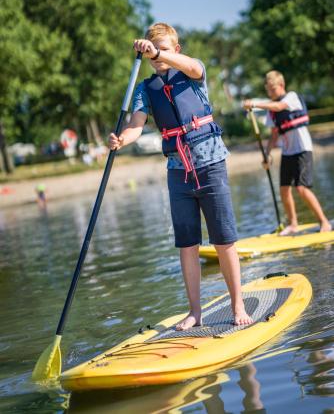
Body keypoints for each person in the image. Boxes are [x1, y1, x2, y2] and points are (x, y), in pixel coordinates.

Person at [109, 22, 252, 330]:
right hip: (178, 172)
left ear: (176, 49)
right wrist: (123, 139)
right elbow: (136, 124)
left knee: (224, 240)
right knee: (187, 244)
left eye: (163, 49)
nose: (157, 55)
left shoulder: (193, 70)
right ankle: (194, 312)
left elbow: (191, 66)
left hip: (211, 163)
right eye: (152, 50)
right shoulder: (145, 89)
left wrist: (159, 51)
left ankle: (237, 304)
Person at [243, 70, 331, 236]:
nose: (270, 92)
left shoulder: (291, 97)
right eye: (268, 90)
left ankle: (324, 222)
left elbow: (279, 106)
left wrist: (254, 104)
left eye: (272, 89)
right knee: (284, 189)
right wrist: (267, 155)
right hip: (287, 152)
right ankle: (293, 224)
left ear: (281, 85)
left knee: (301, 188)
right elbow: (274, 134)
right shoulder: (271, 111)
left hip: (303, 149)